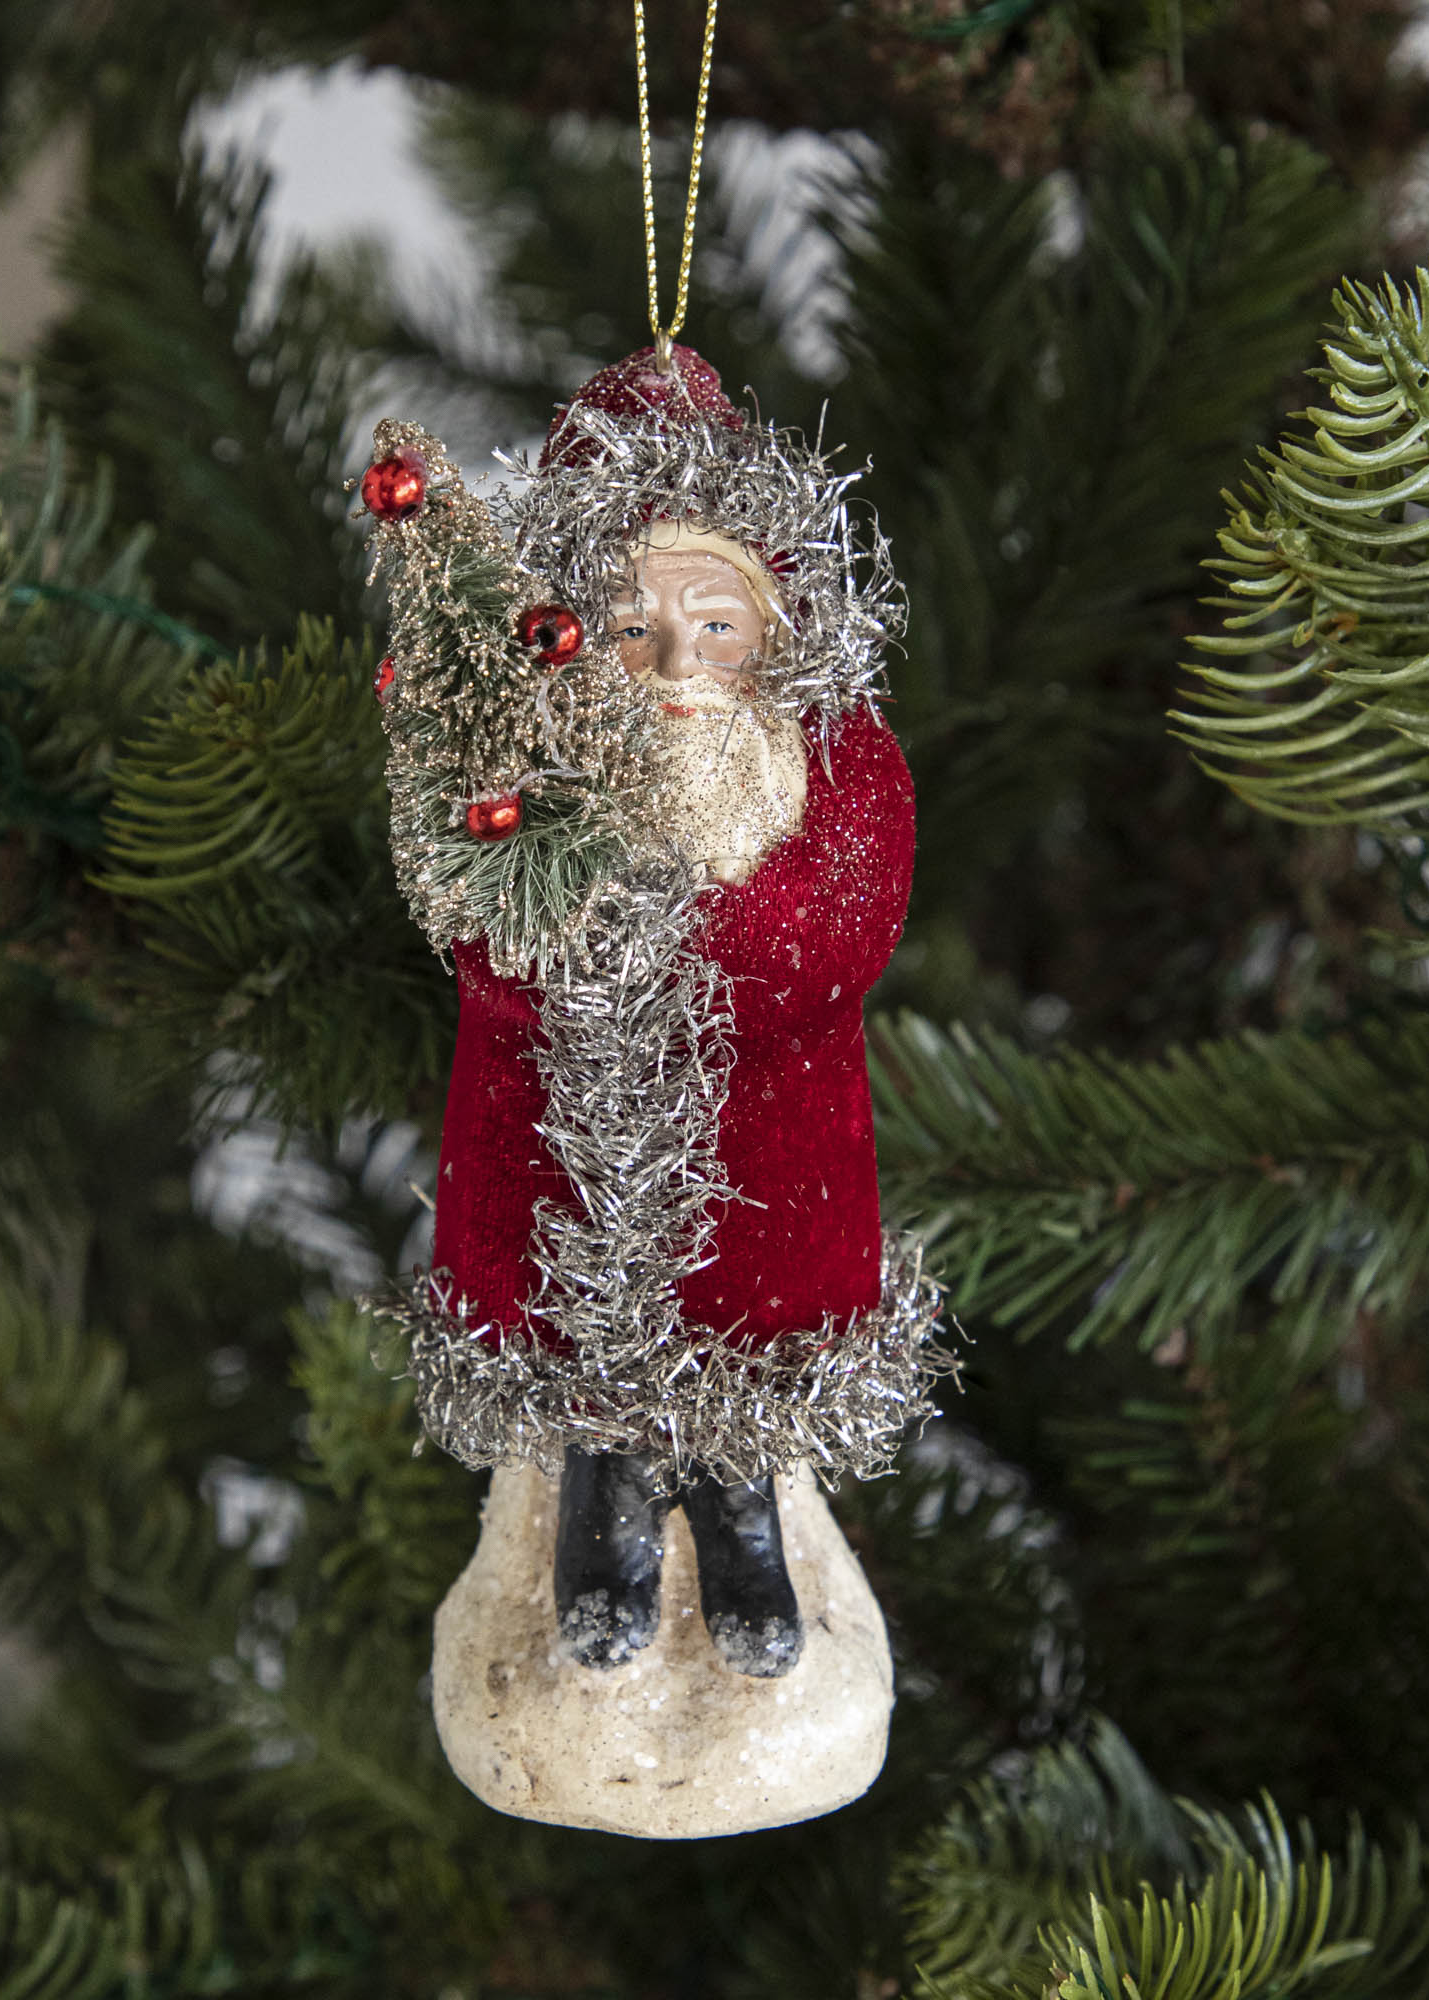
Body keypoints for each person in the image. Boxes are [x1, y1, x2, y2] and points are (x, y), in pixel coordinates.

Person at [390, 347, 950, 1677]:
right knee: (575, 1312)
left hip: (770, 1128)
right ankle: (602, 1500)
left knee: (754, 1328)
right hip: (556, 1124)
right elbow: (483, 923)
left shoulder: (835, 756)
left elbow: (844, 925)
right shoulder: (516, 758)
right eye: (638, 631)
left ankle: (741, 1505)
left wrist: (679, 941)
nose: (681, 664)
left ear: (776, 626)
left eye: (717, 625)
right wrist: (582, 942)